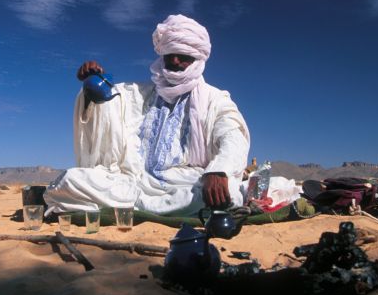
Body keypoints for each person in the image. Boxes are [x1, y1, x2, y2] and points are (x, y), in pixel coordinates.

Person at [44, 14, 250, 216]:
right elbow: (112, 99)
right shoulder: (143, 93)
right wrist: (94, 85)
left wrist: (218, 170)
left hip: (186, 182)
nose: (175, 61)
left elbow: (233, 136)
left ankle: (133, 206)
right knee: (70, 181)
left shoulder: (215, 99)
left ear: (197, 59)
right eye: (170, 54)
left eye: (183, 56)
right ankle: (142, 205)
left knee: (227, 192)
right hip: (134, 181)